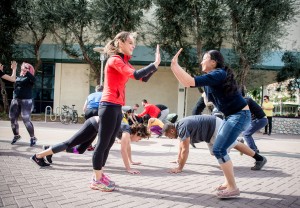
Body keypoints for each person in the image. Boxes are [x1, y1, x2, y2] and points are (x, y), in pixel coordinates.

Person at [170, 49, 251, 198]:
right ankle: (228, 182)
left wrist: (175, 65)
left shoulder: (219, 73)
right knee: (220, 149)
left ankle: (233, 188)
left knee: (219, 149)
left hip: (240, 115)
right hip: (232, 116)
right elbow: (188, 84)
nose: (201, 62)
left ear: (213, 62)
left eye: (204, 59)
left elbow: (189, 81)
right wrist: (174, 68)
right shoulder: (211, 78)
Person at [91, 31, 161, 192]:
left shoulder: (124, 62)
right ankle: (96, 179)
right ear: (120, 43)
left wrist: (155, 67)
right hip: (108, 106)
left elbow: (143, 78)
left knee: (108, 144)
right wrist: (154, 64)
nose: (133, 45)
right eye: (130, 42)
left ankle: (99, 175)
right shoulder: (115, 60)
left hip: (116, 107)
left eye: (133, 43)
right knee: (102, 144)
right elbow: (136, 75)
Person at [30, 117, 150, 175]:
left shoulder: (128, 134)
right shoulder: (126, 132)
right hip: (93, 124)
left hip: (96, 128)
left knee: (80, 150)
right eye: (140, 138)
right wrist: (128, 168)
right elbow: (123, 150)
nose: (138, 140)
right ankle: (38, 156)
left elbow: (128, 148)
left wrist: (132, 161)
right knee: (69, 143)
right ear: (138, 133)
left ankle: (49, 150)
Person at [163, 115, 267, 172]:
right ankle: (235, 141)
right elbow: (181, 147)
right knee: (214, 152)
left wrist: (180, 168)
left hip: (215, 127)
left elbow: (185, 150)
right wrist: (178, 160)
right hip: (209, 132)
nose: (169, 138)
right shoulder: (178, 127)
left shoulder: (181, 128)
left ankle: (260, 158)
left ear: (172, 131)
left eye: (168, 136)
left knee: (228, 146)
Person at [9, 62, 37, 147]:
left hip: (26, 101)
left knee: (26, 119)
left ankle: (33, 138)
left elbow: (34, 80)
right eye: (23, 68)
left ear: (29, 70)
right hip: (15, 100)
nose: (24, 69)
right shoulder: (18, 77)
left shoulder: (30, 78)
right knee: (12, 118)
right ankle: (16, 135)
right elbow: (12, 80)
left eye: (26, 68)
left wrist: (27, 72)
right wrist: (14, 69)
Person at [241, 88, 268, 153]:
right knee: (245, 133)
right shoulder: (246, 100)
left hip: (260, 120)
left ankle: (253, 150)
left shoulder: (247, 99)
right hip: (259, 120)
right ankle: (255, 149)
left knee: (246, 134)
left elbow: (243, 110)